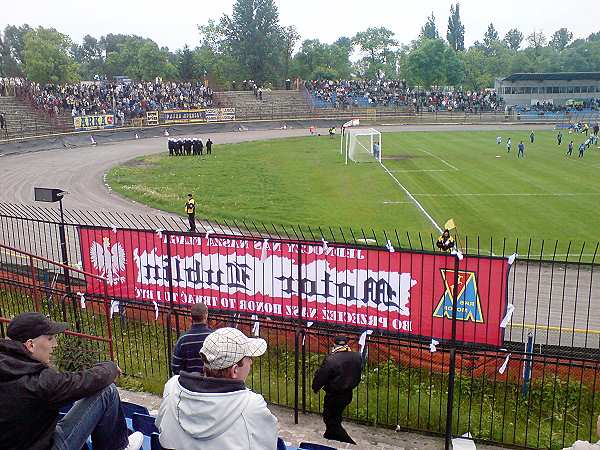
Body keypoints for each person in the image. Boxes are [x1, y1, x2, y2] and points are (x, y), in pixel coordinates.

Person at [0, 312, 144, 450]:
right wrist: (110, 367)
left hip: (26, 440)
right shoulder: (39, 383)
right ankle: (118, 447)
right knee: (107, 391)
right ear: (31, 345)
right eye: (50, 338)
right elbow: (83, 382)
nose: (55, 344)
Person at [156, 327, 278, 450]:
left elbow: (161, 427)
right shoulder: (252, 406)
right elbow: (269, 445)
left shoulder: (172, 388)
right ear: (234, 370)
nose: (251, 362)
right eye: (249, 358)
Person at [312, 336, 362, 445]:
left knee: (330, 418)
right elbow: (358, 374)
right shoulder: (357, 356)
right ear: (346, 344)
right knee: (336, 416)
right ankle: (330, 436)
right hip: (348, 393)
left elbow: (322, 376)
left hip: (334, 394)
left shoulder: (332, 359)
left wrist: (315, 387)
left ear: (335, 344)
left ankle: (348, 442)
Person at [171, 303, 212, 375]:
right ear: (206, 315)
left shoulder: (183, 339)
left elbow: (175, 366)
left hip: (188, 382)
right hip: (209, 382)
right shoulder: (212, 337)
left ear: (191, 316)